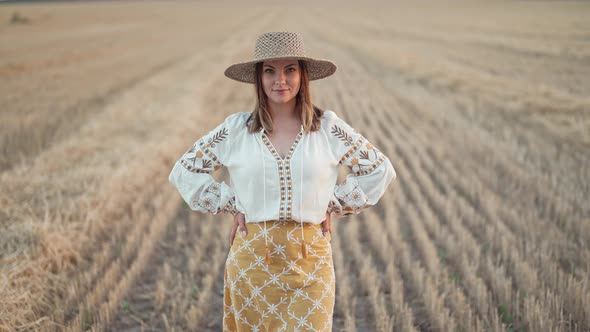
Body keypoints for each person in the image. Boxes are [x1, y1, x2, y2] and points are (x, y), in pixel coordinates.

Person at [168, 31, 396, 332]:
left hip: (311, 265)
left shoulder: (328, 128)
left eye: (290, 69)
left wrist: (331, 203)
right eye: (269, 71)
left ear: (303, 76)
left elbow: (380, 170)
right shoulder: (236, 130)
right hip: (251, 266)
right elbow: (184, 171)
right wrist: (235, 204)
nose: (280, 80)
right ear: (258, 78)